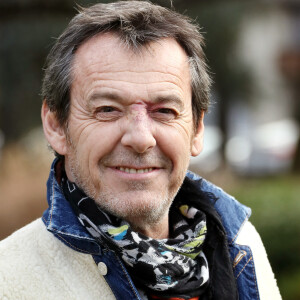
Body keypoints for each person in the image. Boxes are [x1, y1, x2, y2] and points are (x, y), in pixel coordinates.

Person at [0, 1, 281, 299]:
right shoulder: (8, 278)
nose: (141, 138)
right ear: (56, 126)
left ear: (197, 129)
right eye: (107, 109)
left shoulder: (242, 245)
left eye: (164, 111)